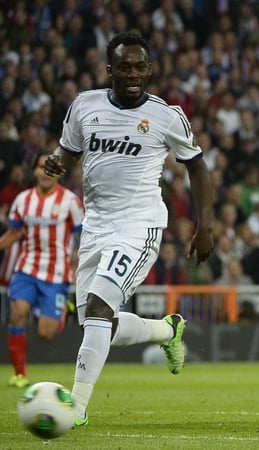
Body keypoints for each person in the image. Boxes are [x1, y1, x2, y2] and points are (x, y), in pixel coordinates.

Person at [44, 32, 214, 426]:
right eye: (124, 67)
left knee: (102, 307)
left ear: (150, 69)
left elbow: (198, 166)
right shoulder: (84, 106)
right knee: (96, 324)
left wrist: (205, 226)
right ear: (110, 70)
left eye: (140, 66)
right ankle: (166, 330)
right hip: (96, 227)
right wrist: (56, 162)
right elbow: (67, 152)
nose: (133, 73)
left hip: (140, 226)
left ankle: (76, 408)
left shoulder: (167, 115)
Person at [1, 152, 84, 388]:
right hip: (26, 267)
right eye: (41, 167)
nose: (46, 172)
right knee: (17, 313)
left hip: (56, 271)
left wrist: (79, 261)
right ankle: (19, 374)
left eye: (52, 168)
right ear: (35, 171)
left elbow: (83, 235)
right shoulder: (22, 200)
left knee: (46, 334)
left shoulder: (71, 202)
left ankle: (64, 311)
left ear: (60, 172)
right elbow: (15, 233)